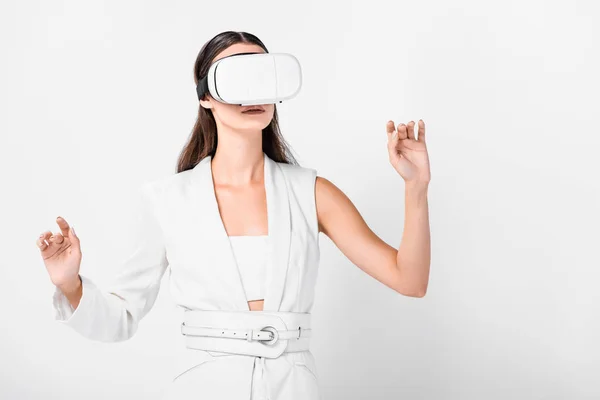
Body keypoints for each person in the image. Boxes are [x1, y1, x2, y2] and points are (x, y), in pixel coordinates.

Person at [36, 31, 432, 400]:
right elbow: (121, 318)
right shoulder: (166, 200)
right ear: (205, 97)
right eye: (235, 79)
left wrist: (416, 188)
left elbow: (409, 280)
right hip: (203, 386)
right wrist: (70, 284)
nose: (252, 94)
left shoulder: (313, 193)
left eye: (261, 77)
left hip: (293, 387)